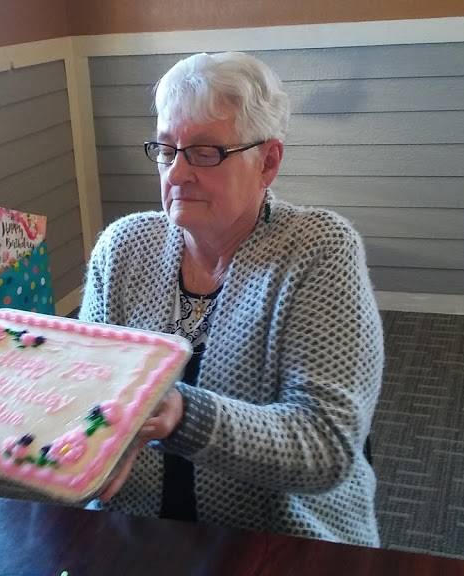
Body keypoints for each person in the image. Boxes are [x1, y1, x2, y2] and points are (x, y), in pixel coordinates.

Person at [79, 51, 384, 547]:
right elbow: (86, 393)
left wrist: (183, 415)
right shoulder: (124, 247)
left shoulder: (319, 250)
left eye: (205, 153)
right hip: (131, 530)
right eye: (166, 149)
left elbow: (325, 446)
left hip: (279, 541)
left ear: (268, 162)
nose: (176, 174)